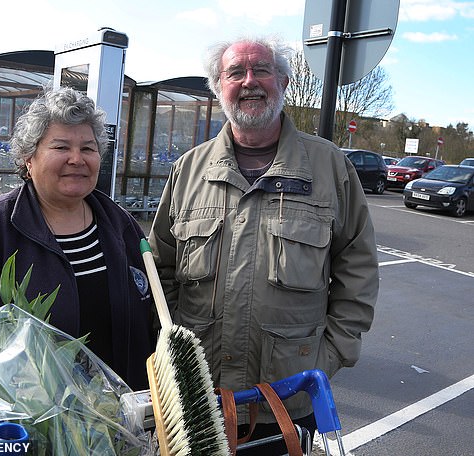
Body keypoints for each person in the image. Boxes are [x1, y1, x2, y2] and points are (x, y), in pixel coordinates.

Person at [148, 36, 379, 454]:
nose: (250, 81)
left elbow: (357, 273)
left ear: (285, 81)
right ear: (218, 87)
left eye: (262, 70)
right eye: (236, 72)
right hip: (198, 400)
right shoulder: (188, 170)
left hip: (286, 401)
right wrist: (173, 361)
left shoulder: (330, 168)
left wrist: (326, 359)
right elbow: (160, 270)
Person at [0, 86, 155, 447]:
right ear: (28, 159)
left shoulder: (119, 225)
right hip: (22, 443)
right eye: (61, 147)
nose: (77, 159)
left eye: (88, 148)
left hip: (116, 435)